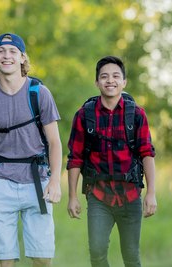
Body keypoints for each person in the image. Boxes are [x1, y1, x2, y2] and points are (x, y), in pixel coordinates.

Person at [0, 33, 62, 267]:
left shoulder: (39, 93)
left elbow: (55, 142)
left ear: (22, 58)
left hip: (37, 181)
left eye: (12, 51)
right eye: (1, 51)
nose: (6, 56)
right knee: (2, 260)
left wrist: (56, 181)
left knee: (42, 258)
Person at [67, 56, 157, 267]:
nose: (110, 81)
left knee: (131, 257)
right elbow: (75, 158)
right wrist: (72, 196)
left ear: (124, 82)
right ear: (97, 82)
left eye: (116, 76)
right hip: (98, 196)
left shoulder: (136, 114)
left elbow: (147, 154)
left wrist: (151, 193)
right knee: (97, 253)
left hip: (131, 195)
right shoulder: (84, 115)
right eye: (104, 76)